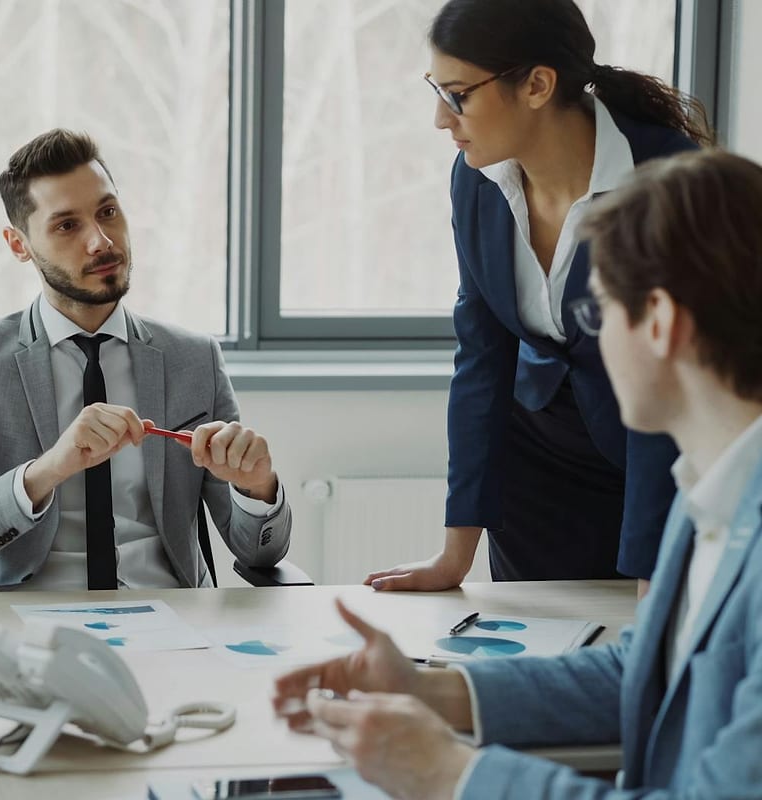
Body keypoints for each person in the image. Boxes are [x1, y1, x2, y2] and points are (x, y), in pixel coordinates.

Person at [274, 148, 762, 798]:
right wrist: (432, 690)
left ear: (662, 325)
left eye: (599, 311)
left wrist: (446, 771)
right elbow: (644, 671)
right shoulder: (708, 490)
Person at [366, 0, 711, 593]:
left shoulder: (670, 181)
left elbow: (675, 385)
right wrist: (454, 555)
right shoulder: (476, 177)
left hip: (658, 458)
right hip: (538, 468)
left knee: (641, 658)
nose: (440, 119)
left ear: (538, 85)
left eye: (458, 95)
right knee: (532, 654)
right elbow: (481, 357)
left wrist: (651, 571)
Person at [0, 128, 292, 590]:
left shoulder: (194, 359)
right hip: (30, 630)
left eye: (108, 212)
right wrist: (48, 470)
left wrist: (256, 488)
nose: (101, 241)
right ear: (18, 245)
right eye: (67, 225)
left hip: (173, 626)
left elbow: (261, 552)